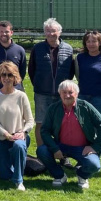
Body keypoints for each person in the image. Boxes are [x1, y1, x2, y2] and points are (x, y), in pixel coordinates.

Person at [37, 80, 101, 189]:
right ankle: (59, 176)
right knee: (42, 151)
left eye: (70, 92)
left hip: (82, 148)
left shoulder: (85, 106)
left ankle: (82, 175)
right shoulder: (53, 108)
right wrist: (55, 148)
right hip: (61, 145)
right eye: (64, 92)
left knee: (94, 165)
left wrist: (95, 147)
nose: (67, 95)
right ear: (60, 94)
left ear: (77, 93)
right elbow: (45, 130)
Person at [28, 18, 74, 147]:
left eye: (53, 31)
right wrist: (40, 84)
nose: (50, 34)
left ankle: (63, 154)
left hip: (62, 95)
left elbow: (70, 71)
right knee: (41, 123)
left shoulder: (68, 49)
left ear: (59, 32)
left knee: (62, 124)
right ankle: (42, 154)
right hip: (42, 94)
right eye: (47, 31)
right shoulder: (38, 48)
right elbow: (32, 70)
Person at [0, 62, 34, 191]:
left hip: (19, 136)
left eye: (10, 75)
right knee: (4, 176)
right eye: (4, 75)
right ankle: (17, 165)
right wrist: (5, 134)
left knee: (19, 146)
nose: (6, 78)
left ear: (15, 77)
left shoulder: (21, 96)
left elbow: (30, 120)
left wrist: (24, 133)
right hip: (3, 139)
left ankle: (19, 180)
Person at [74, 30, 101, 119]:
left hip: (100, 98)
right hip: (82, 96)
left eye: (94, 41)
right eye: (88, 42)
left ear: (99, 43)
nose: (91, 44)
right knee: (83, 126)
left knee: (99, 126)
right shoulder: (79, 58)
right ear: (85, 43)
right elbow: (78, 75)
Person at [0, 20, 27, 96]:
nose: (4, 34)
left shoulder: (19, 50)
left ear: (11, 33)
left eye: (7, 32)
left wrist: (15, 83)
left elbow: (22, 72)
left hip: (15, 91)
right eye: (1, 31)